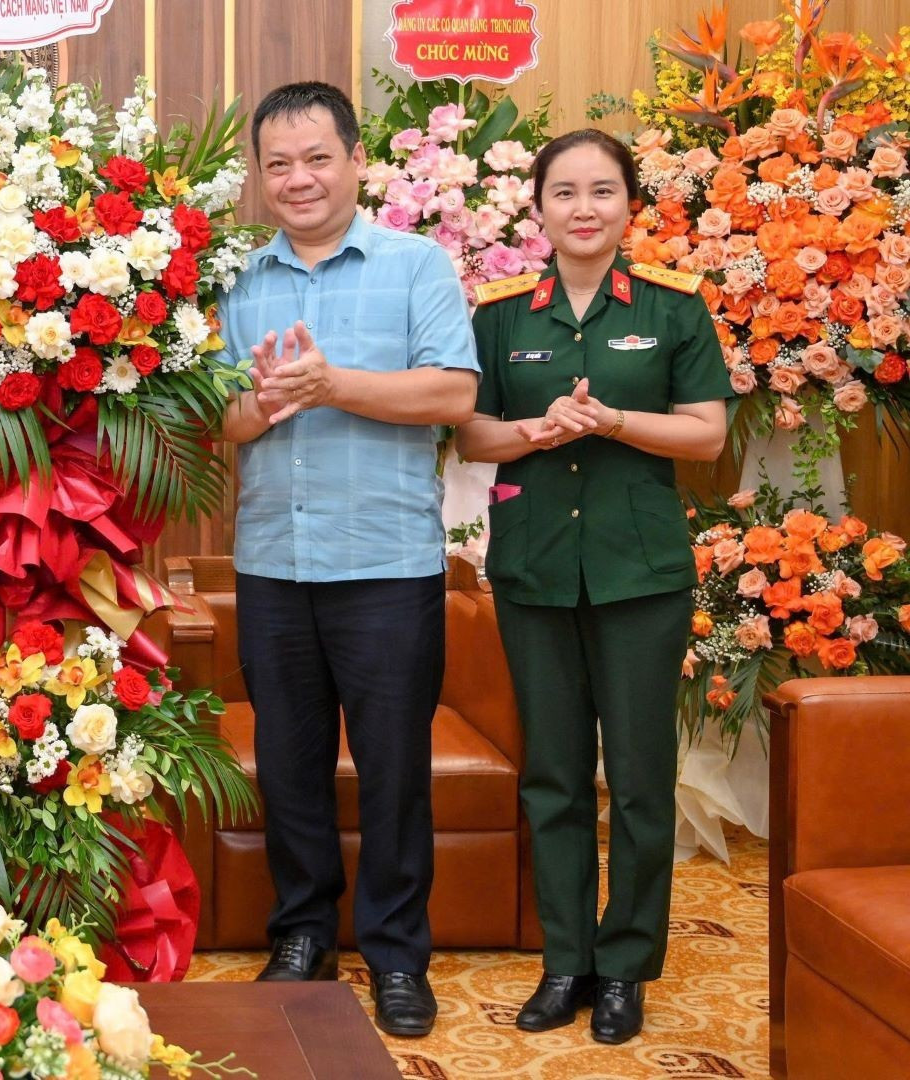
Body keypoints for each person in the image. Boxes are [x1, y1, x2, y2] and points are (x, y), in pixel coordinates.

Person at [455, 128, 729, 1045]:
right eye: (564, 192)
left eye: (602, 192)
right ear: (537, 208)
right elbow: (472, 436)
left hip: (639, 575)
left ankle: (626, 968)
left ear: (630, 206)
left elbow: (705, 436)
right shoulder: (500, 314)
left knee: (643, 782)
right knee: (555, 777)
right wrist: (540, 429)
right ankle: (565, 960)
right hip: (535, 571)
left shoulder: (675, 306)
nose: (583, 208)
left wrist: (611, 420)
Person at [216, 81, 479, 1037]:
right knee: (287, 762)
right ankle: (302, 934)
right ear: (260, 174)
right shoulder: (239, 279)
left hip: (386, 560)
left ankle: (399, 952)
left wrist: (334, 384)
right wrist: (271, 399)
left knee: (393, 768)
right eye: (278, 164)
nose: (299, 179)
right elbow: (222, 420)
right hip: (275, 559)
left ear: (357, 159)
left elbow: (452, 393)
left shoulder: (416, 265)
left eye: (317, 158)